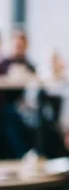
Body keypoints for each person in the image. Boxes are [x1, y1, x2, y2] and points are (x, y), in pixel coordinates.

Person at [0, 30, 36, 158]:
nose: (18, 48)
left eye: (21, 46)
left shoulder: (28, 65)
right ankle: (23, 154)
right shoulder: (3, 64)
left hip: (21, 105)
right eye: (16, 45)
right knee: (9, 116)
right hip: (6, 104)